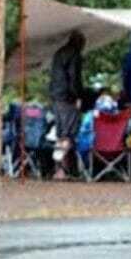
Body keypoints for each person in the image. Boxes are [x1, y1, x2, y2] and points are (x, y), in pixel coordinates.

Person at [48, 31, 86, 178]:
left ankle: (60, 169)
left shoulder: (59, 53)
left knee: (60, 134)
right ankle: (62, 170)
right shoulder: (74, 55)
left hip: (56, 96)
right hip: (68, 98)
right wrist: (78, 96)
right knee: (68, 134)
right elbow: (73, 77)